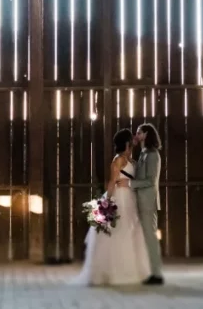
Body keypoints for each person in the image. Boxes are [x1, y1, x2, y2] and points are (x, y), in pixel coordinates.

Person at [70, 128, 151, 286]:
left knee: (131, 232)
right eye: (130, 143)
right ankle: (115, 271)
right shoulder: (118, 160)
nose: (132, 145)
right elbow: (112, 182)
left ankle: (132, 270)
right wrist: (106, 202)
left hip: (129, 199)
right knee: (118, 233)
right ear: (126, 144)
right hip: (119, 199)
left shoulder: (130, 161)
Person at [126, 123, 163, 285]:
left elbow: (150, 180)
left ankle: (156, 274)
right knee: (145, 237)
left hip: (148, 202)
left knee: (150, 237)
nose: (136, 135)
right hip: (142, 201)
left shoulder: (153, 155)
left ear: (146, 134)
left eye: (139, 132)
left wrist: (130, 184)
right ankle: (150, 271)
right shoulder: (143, 153)